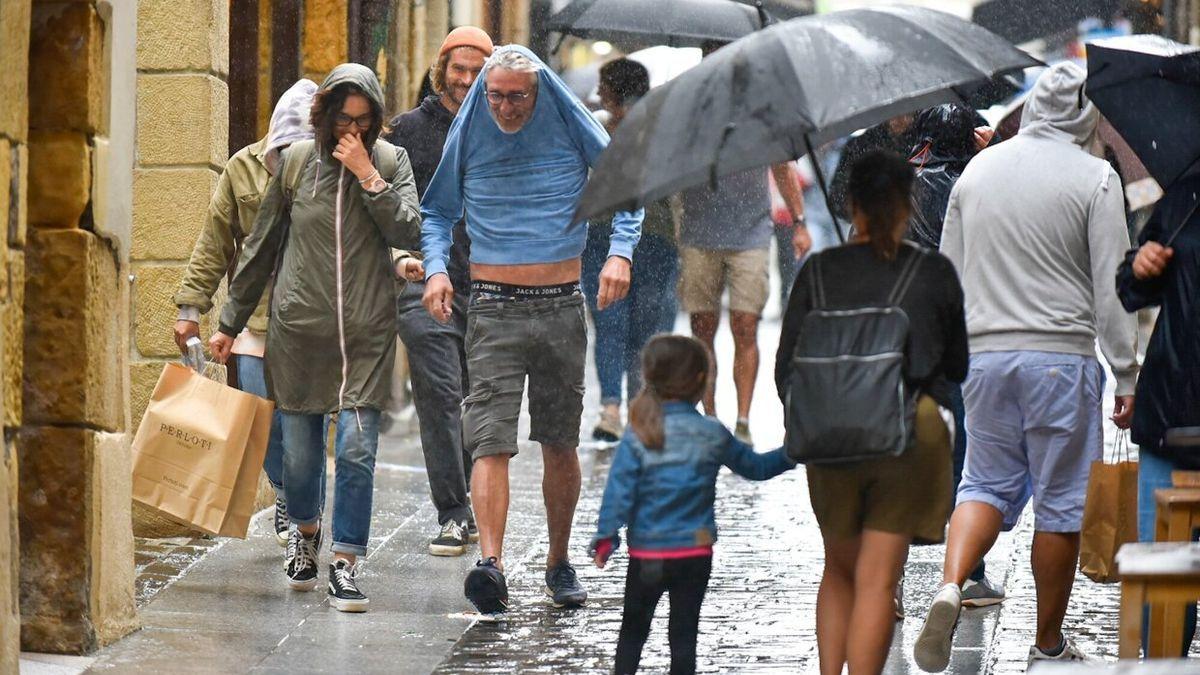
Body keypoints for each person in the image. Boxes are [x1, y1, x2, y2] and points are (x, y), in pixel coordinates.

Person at [914, 62, 1139, 671]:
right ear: (1084, 114)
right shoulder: (1095, 178)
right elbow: (1111, 287)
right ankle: (1046, 641)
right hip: (1060, 361)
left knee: (981, 484)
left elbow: (948, 274)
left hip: (983, 361)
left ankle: (951, 583)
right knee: (1061, 503)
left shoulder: (979, 170)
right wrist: (1126, 373)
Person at [420, 46, 643, 614]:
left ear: (539, 90)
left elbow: (627, 188)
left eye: (517, 95)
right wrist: (438, 269)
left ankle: (558, 561)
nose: (505, 106)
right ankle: (490, 565)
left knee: (559, 441)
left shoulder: (570, 122)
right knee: (490, 437)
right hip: (492, 305)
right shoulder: (471, 127)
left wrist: (620, 254)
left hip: (560, 306)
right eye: (495, 94)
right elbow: (437, 211)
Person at [211, 64, 422, 612]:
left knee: (357, 451)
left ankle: (347, 562)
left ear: (376, 120)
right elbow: (259, 249)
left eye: (363, 121)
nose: (351, 133)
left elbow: (408, 229)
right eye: (342, 121)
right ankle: (305, 535)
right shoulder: (298, 165)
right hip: (300, 331)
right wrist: (228, 324)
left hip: (367, 333)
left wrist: (367, 176)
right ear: (324, 117)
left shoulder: (392, 163)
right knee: (301, 460)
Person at [776, 151, 967, 675]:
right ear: (909, 204)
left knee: (838, 571)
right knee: (879, 579)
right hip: (905, 434)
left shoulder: (818, 272)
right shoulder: (932, 272)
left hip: (830, 437)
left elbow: (784, 370)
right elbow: (956, 367)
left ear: (851, 205)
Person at [591, 335, 794, 674]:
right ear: (701, 380)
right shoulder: (711, 432)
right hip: (694, 555)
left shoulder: (640, 432)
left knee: (632, 633)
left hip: (647, 555)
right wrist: (793, 452)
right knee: (683, 638)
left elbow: (618, 492)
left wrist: (606, 537)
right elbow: (756, 468)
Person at [172, 79, 318, 546]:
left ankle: (304, 512)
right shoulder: (242, 168)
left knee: (303, 423)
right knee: (263, 421)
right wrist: (192, 308)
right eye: (284, 150)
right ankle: (284, 492)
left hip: (314, 317)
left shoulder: (331, 168)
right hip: (254, 318)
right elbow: (214, 241)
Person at [384, 26, 493, 557]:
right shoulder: (407, 130)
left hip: (492, 283)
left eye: (477, 72)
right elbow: (387, 205)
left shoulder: (502, 127)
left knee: (481, 401)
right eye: (458, 69)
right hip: (424, 281)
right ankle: (453, 511)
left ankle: (469, 498)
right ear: (441, 68)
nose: (465, 80)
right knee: (440, 395)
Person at [678, 40, 808, 446]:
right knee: (703, 327)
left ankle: (745, 419)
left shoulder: (762, 111)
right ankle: (710, 415)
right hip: (700, 232)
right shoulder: (690, 107)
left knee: (745, 325)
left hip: (750, 231)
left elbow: (783, 167)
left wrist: (800, 221)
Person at [904, 103, 1005, 609]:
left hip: (904, 325)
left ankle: (889, 579)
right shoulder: (978, 180)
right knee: (970, 449)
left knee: (901, 442)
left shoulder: (902, 181)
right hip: (961, 327)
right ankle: (967, 574)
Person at [1117, 172, 1200, 656]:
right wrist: (1140, 266)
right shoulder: (1187, 200)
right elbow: (1131, 292)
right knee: (1163, 586)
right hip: (1172, 418)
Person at [584, 58, 679, 442]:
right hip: (602, 238)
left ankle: (634, 405)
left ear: (619, 89)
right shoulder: (594, 129)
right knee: (613, 324)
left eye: (604, 84)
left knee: (642, 324)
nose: (598, 90)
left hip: (652, 238)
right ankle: (612, 407)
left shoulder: (657, 133)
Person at [828, 114, 918, 222]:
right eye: (896, 114)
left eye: (907, 113)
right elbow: (837, 197)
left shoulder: (926, 139)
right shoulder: (861, 145)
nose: (901, 119)